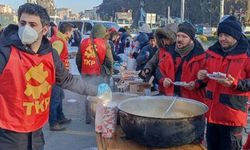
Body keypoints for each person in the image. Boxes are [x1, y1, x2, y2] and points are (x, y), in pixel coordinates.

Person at [0, 3, 109, 150]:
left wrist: (95, 90)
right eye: (23, 23)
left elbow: (67, 80)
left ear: (44, 30)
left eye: (32, 24)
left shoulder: (50, 55)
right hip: (8, 133)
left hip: (36, 131)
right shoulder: (5, 52)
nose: (26, 29)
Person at [197, 15, 250, 150]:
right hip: (212, 114)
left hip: (233, 116)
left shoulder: (246, 55)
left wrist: (236, 83)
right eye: (220, 35)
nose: (222, 39)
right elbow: (206, 78)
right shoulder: (212, 52)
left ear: (236, 36)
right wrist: (202, 76)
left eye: (226, 35)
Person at [155, 22, 206, 102]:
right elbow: (159, 69)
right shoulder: (169, 52)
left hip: (192, 102)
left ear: (191, 39)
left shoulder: (201, 56)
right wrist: (163, 79)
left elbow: (207, 79)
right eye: (178, 36)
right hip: (170, 99)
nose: (180, 39)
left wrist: (196, 84)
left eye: (184, 37)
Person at [76, 24, 113, 124]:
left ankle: (88, 118)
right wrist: (109, 73)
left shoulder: (84, 42)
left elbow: (78, 59)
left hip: (85, 73)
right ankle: (98, 117)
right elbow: (109, 61)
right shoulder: (105, 44)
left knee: (87, 95)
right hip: (98, 74)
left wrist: (81, 71)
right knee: (99, 95)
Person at [49, 22, 74, 131]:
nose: (72, 34)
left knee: (59, 97)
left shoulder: (59, 39)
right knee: (55, 99)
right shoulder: (58, 41)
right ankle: (53, 123)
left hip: (59, 75)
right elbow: (53, 58)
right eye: (71, 31)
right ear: (67, 32)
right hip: (56, 76)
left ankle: (60, 117)